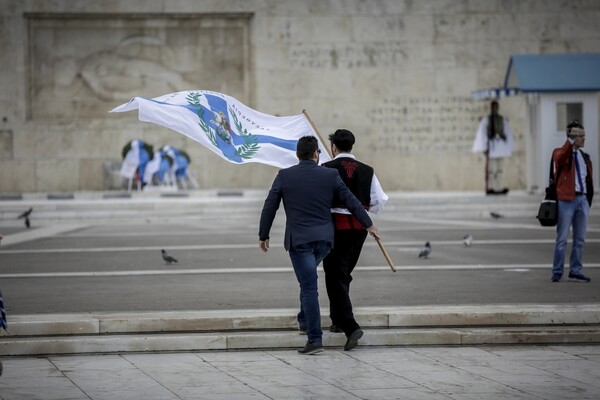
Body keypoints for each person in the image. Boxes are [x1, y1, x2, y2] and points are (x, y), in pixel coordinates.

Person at [259, 136, 380, 355]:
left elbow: (270, 205)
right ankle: (304, 319)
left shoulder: (285, 176)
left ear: (298, 154)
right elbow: (351, 200)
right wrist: (368, 223)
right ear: (316, 154)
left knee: (308, 286)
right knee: (308, 280)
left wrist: (264, 234)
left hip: (300, 241)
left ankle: (315, 339)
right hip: (325, 241)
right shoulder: (330, 174)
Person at [321, 129, 388, 350]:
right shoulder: (367, 170)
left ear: (333, 147)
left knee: (336, 275)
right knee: (342, 274)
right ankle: (337, 321)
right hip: (359, 230)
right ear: (352, 146)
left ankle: (349, 325)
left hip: (335, 228)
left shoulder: (326, 169)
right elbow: (379, 201)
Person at [551, 120, 594, 283]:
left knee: (580, 238)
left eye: (584, 136)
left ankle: (575, 270)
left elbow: (589, 179)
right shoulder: (560, 153)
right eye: (580, 136)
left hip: (582, 199)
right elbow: (560, 158)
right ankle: (557, 271)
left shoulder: (585, 157)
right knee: (562, 238)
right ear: (572, 137)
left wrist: (587, 200)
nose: (583, 139)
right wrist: (569, 141)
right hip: (566, 200)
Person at [472, 100, 515, 195]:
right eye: (493, 107)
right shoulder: (487, 119)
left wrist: (508, 147)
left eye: (496, 106)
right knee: (491, 170)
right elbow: (482, 134)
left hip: (500, 146)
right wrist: (483, 147)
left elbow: (507, 133)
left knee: (500, 169)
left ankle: (499, 188)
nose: (494, 108)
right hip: (491, 146)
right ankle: (490, 188)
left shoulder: (502, 119)